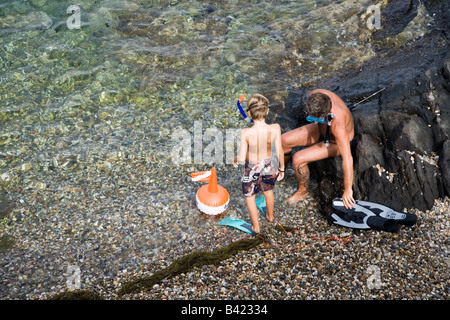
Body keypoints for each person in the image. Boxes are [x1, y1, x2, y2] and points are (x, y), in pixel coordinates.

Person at [281, 89, 356, 209]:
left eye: (316, 119)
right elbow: (316, 118)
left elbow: (347, 158)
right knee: (283, 140)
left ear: (327, 113)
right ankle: (281, 170)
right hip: (321, 129)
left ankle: (303, 191)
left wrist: (348, 189)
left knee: (298, 159)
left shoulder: (338, 125)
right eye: (310, 118)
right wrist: (317, 122)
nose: (312, 120)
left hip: (334, 142)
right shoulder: (315, 95)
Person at [234, 94, 285, 234]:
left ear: (249, 113)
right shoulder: (275, 128)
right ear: (267, 111)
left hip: (251, 168)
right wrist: (282, 169)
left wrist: (235, 159)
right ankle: (270, 216)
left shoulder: (246, 132)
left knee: (250, 195)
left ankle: (256, 227)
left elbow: (241, 157)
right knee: (268, 191)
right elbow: (280, 151)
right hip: (268, 165)